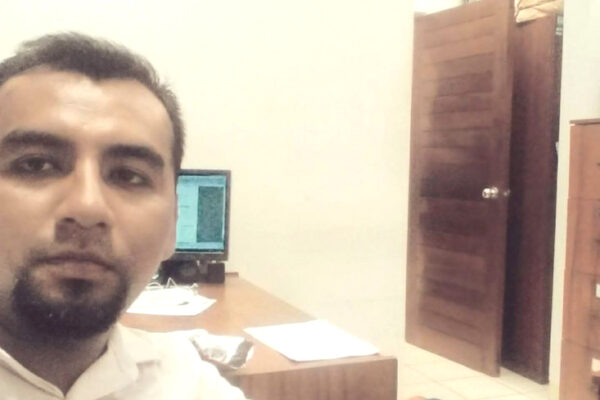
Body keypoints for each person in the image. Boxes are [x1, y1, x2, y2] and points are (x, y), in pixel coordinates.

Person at [0, 32, 248, 399]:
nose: (87, 207)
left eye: (129, 176)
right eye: (36, 165)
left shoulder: (188, 382)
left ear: (173, 224)